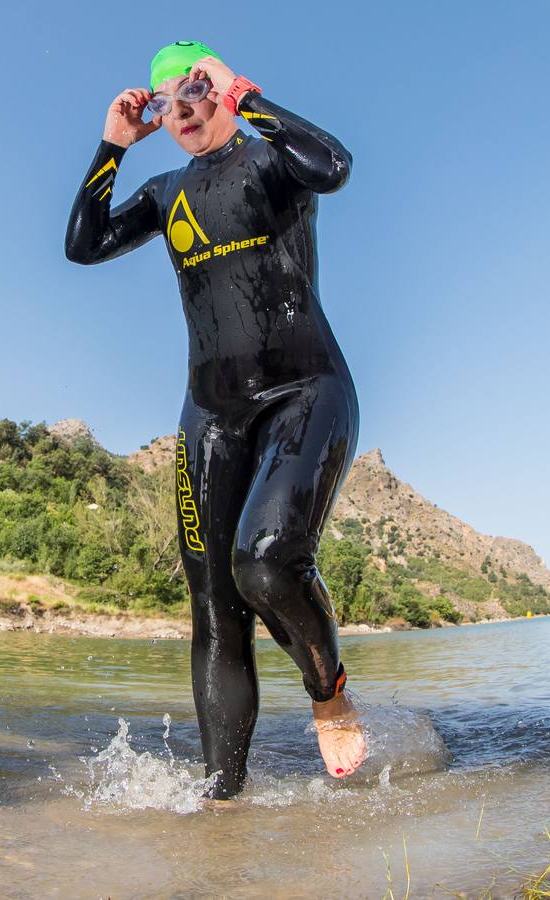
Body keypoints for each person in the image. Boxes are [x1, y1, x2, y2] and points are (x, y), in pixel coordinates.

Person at [65, 40, 364, 800]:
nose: (183, 106)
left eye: (196, 88)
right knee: (213, 610)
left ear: (222, 90)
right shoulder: (166, 193)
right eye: (166, 100)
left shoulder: (272, 164)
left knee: (263, 563)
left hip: (305, 394)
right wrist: (112, 144)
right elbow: (82, 245)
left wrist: (246, 95)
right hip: (211, 417)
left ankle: (326, 689)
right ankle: (221, 801)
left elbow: (332, 165)